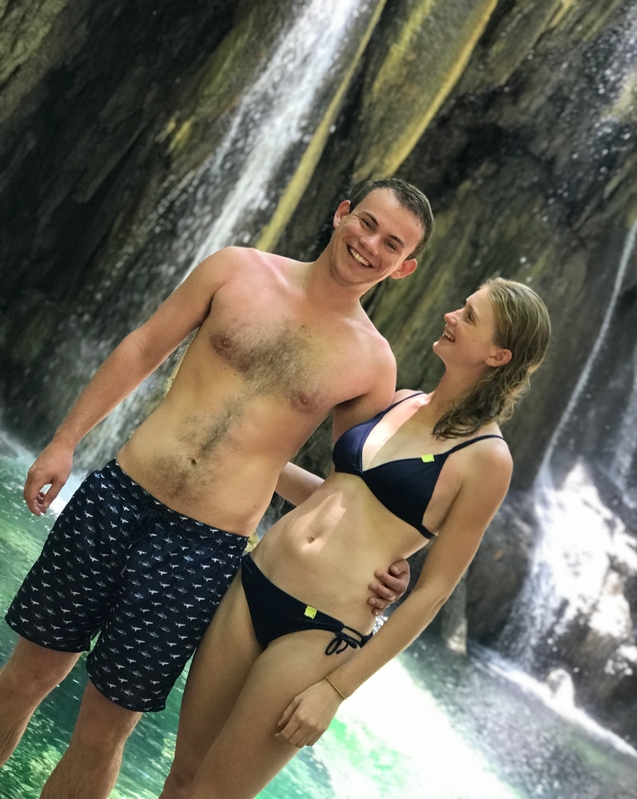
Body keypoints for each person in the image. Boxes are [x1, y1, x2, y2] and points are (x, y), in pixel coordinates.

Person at [0, 178, 434, 799]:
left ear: (403, 267)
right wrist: (65, 440)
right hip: (118, 497)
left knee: (102, 730)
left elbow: (349, 490)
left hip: (201, 551)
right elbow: (144, 348)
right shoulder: (238, 269)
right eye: (366, 223)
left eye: (391, 243)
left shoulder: (372, 363)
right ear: (342, 214)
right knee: (23, 679)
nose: (370, 244)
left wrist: (382, 559)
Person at [160, 277, 551, 799]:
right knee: (182, 777)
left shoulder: (487, 460)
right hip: (253, 582)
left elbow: (433, 592)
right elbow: (341, 499)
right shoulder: (402, 400)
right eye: (462, 304)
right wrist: (249, 452)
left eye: (471, 317)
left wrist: (336, 690)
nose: (451, 315)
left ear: (499, 355)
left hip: (320, 633)